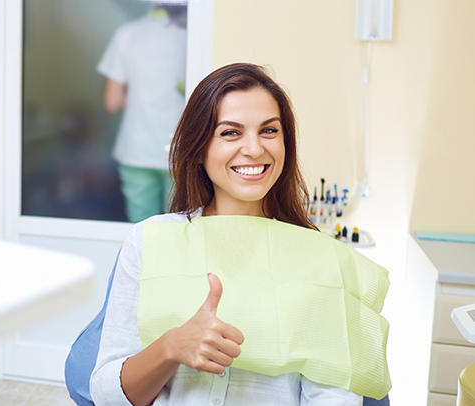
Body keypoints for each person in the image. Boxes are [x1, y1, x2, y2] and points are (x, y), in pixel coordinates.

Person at [88, 63, 368, 405]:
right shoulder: (149, 241)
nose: (253, 149)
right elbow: (104, 394)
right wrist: (171, 346)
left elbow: (334, 396)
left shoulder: (319, 258)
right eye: (230, 132)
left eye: (269, 131)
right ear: (199, 148)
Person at [97, 4, 186, 222]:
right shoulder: (192, 36)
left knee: (139, 231)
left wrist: (139, 97)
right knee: (175, 228)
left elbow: (112, 101)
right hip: (180, 148)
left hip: (136, 149)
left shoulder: (127, 33)